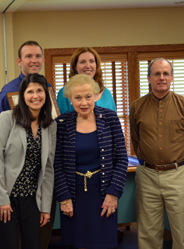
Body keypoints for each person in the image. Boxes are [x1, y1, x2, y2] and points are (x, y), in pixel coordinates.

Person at [0, 74, 56, 249]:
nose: (35, 96)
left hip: (31, 196)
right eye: (30, 92)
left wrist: (45, 207)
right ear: (22, 95)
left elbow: (48, 168)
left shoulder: (50, 125)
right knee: (8, 244)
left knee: (34, 244)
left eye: (39, 91)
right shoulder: (7, 118)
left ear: (46, 94)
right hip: (5, 194)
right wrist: (2, 199)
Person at [130, 58, 184, 249]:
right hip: (147, 176)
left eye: (165, 74)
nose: (161, 78)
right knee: (147, 234)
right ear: (149, 78)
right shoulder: (137, 107)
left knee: (182, 233)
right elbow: (136, 141)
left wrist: (180, 165)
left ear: (171, 78)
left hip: (178, 174)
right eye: (156, 73)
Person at [54, 74, 128, 249]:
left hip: (103, 195)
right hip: (73, 196)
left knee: (104, 243)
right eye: (77, 98)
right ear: (70, 100)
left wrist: (113, 193)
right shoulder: (62, 123)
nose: (84, 102)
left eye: (88, 96)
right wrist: (64, 197)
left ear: (95, 96)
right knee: (75, 244)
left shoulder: (110, 118)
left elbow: (121, 158)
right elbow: (56, 164)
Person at [57, 47, 116, 114]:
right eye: (82, 62)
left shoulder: (106, 94)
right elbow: (59, 122)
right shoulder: (65, 93)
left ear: (96, 65)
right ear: (75, 67)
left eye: (91, 61)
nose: (88, 66)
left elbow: (114, 122)